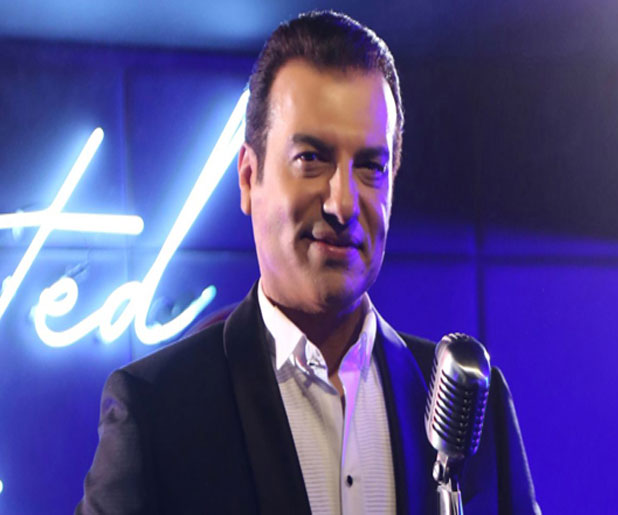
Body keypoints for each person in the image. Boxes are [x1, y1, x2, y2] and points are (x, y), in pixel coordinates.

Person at [77, 11, 540, 515]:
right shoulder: (158, 409)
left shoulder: (474, 410)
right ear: (248, 177)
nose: (343, 203)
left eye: (371, 166)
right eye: (312, 159)